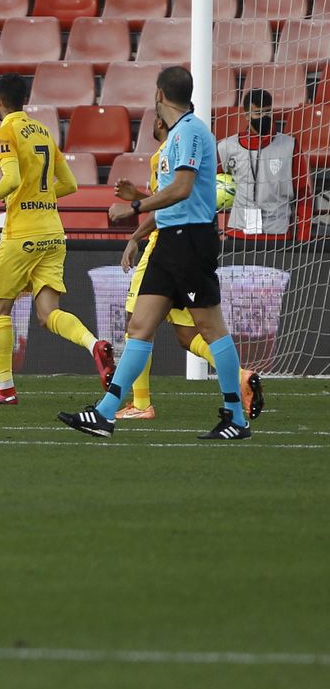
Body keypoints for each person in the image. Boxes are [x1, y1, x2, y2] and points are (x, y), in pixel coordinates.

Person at [60, 66, 255, 440]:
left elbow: (182, 189)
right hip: (169, 240)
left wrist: (135, 207)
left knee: (210, 328)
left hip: (190, 242)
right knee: (139, 326)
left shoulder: (191, 131)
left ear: (160, 94)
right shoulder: (178, 137)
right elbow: (171, 199)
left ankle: (236, 417)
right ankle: (105, 414)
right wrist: (140, 213)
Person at [0, 73, 114, 405]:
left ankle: (5, 389)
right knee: (48, 313)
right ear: (24, 100)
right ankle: (94, 345)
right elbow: (70, 184)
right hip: (53, 233)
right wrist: (40, 196)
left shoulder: (4, 131)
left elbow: (11, 178)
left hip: (22, 234)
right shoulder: (44, 131)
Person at [111, 113, 262, 421]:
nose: (151, 123)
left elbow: (167, 205)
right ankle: (240, 375)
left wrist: (135, 229)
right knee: (186, 333)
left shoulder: (165, 154)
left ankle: (141, 403)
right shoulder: (181, 148)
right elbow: (167, 200)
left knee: (136, 324)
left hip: (166, 247)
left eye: (155, 116)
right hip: (181, 243)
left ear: (162, 121)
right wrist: (140, 204)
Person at [217, 89, 298, 240]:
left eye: (267, 112)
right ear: (247, 116)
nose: (264, 117)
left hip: (277, 232)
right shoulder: (226, 147)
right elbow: (213, 189)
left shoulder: (289, 145)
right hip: (238, 231)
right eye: (258, 113)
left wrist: (303, 235)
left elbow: (303, 191)